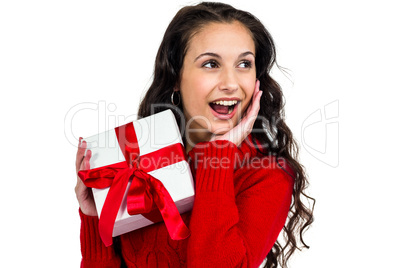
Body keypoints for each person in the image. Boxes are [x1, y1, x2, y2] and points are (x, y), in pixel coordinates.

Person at [75, 2, 314, 267]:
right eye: (211, 64)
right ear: (176, 76)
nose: (231, 83)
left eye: (244, 64)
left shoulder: (267, 174)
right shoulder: (139, 157)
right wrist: (94, 216)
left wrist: (218, 154)